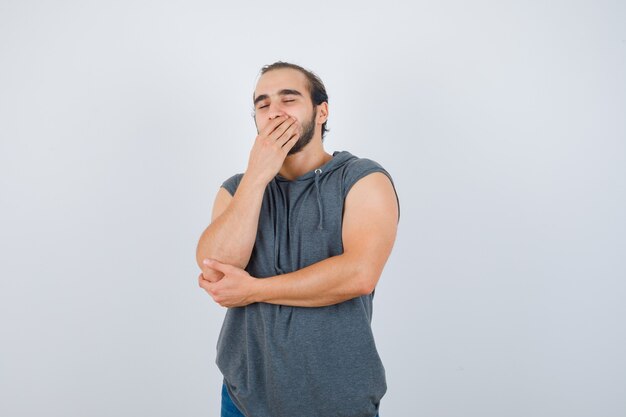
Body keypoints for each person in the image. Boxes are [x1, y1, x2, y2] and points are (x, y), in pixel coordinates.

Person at [196, 61, 400, 417]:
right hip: (243, 399)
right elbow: (216, 269)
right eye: (263, 104)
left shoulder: (362, 179)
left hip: (337, 400)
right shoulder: (237, 190)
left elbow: (359, 274)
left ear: (321, 111)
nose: (274, 112)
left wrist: (254, 290)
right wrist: (258, 177)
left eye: (288, 99)